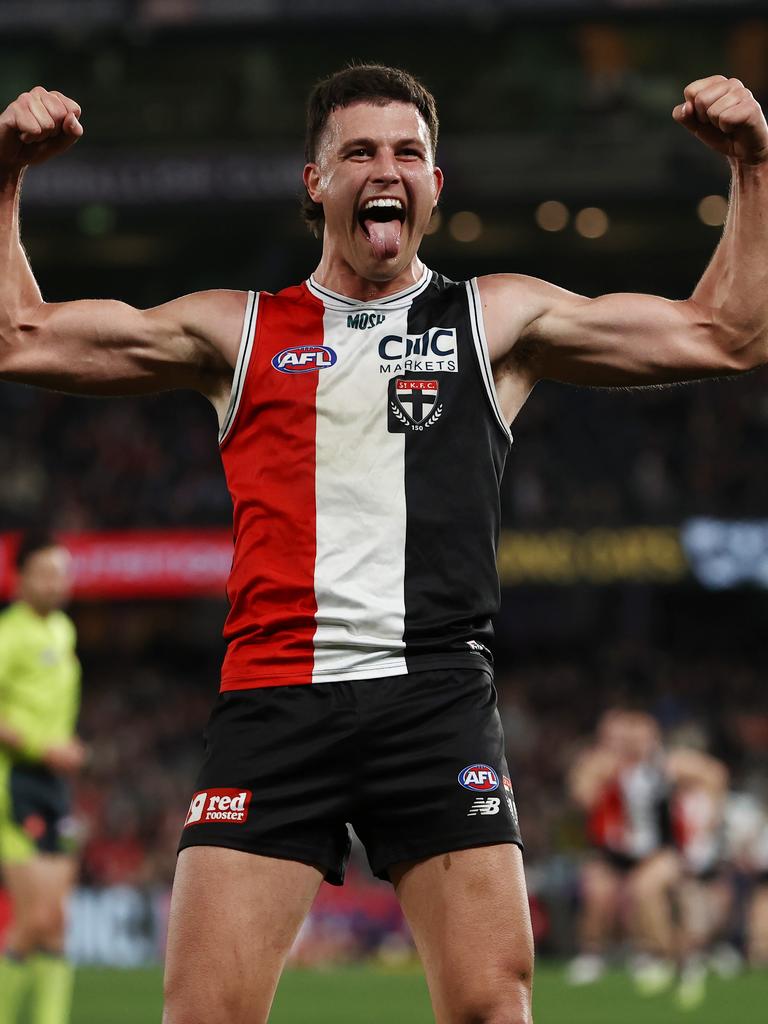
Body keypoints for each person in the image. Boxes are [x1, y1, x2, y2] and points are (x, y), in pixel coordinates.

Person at [0, 65, 766, 1024]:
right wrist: (4, 177)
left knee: (493, 1006)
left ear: (436, 185)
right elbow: (19, 336)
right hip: (275, 697)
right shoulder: (238, 330)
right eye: (359, 151)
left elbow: (727, 333)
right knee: (204, 1015)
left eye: (408, 152)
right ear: (315, 181)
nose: (386, 168)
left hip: (434, 697)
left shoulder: (497, 318)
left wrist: (753, 167)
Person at [0, 532, 85, 1024]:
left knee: (55, 923)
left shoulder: (64, 631)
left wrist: (67, 745)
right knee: (32, 922)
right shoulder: (10, 634)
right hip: (18, 784)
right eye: (49, 573)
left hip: (55, 785)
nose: (60, 584)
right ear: (21, 578)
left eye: (64, 573)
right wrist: (41, 746)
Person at [567, 710, 681, 990]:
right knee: (598, 891)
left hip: (657, 851)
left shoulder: (664, 764)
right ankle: (592, 955)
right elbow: (583, 798)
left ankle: (658, 956)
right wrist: (607, 766)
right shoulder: (599, 766)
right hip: (610, 853)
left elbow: (709, 773)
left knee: (645, 890)